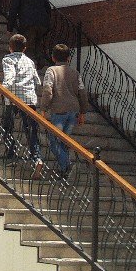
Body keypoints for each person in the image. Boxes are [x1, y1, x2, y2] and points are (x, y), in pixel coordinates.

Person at [0, 33, 44, 179]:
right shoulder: (30, 61)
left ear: (10, 47)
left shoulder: (8, 59)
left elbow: (10, 76)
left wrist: (1, 88)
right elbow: (37, 81)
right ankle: (37, 159)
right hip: (30, 100)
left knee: (7, 127)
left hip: (13, 99)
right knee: (31, 131)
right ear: (25, 48)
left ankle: (11, 155)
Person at [40, 43, 89, 180]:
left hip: (59, 110)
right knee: (65, 141)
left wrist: (43, 108)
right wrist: (83, 112)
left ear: (53, 57)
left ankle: (66, 165)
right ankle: (64, 170)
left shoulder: (51, 71)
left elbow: (48, 90)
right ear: (68, 58)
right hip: (73, 111)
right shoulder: (75, 73)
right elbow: (82, 93)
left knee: (54, 141)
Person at [7, 0, 51, 68]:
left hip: (28, 23)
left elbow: (13, 10)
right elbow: (48, 8)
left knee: (28, 44)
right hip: (42, 24)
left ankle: (28, 65)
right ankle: (40, 60)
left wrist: (9, 27)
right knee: (38, 42)